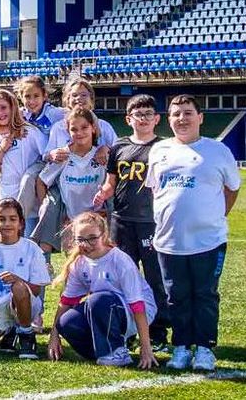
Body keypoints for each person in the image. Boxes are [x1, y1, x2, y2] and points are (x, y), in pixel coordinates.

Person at [145, 95, 241, 372]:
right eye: (176, 114)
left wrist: (214, 217)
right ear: (169, 119)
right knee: (176, 296)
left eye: (188, 113)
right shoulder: (159, 150)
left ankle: (205, 349)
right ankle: (181, 348)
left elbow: (232, 189)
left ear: (200, 117)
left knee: (205, 295)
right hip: (168, 240)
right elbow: (156, 189)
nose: (182, 119)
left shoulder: (218, 151)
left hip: (208, 240)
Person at [93, 93, 169, 351]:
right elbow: (111, 182)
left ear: (157, 118)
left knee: (155, 277)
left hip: (151, 221)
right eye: (138, 114)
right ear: (129, 119)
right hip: (121, 220)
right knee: (123, 275)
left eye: (149, 114)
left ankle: (157, 331)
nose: (144, 118)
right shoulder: (119, 147)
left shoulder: (164, 148)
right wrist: (104, 192)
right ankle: (127, 327)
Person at [47, 212, 158, 368]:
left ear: (104, 234)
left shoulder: (120, 260)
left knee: (98, 300)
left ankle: (116, 351)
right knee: (66, 322)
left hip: (136, 313)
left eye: (92, 238)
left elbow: (137, 305)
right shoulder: (79, 263)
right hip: (104, 309)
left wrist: (146, 346)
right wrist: (54, 335)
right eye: (81, 239)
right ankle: (108, 351)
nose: (86, 244)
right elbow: (66, 302)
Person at [0, 198, 50, 360]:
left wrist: (17, 279)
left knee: (18, 287)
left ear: (21, 223)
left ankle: (26, 334)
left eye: (12, 219)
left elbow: (36, 289)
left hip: (27, 302)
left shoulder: (31, 248)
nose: (7, 224)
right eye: (2, 219)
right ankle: (11, 330)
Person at [31, 108, 106, 254]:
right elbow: (41, 181)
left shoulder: (101, 156)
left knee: (95, 262)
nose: (79, 133)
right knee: (74, 266)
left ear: (93, 128)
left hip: (96, 220)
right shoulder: (63, 156)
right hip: (70, 222)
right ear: (68, 132)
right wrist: (47, 211)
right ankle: (45, 267)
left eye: (84, 127)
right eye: (74, 129)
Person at [0, 89, 45, 235]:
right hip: (4, 200)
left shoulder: (29, 132)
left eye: (3, 108)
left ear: (13, 108)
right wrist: (2, 148)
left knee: (30, 248)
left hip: (29, 209)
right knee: (1, 248)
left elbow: (46, 157)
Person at [43, 78, 116, 166]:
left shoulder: (104, 126)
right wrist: (51, 155)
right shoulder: (58, 127)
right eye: (74, 95)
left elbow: (120, 150)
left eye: (84, 95)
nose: (79, 98)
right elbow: (45, 155)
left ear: (91, 99)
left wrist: (107, 148)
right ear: (68, 100)